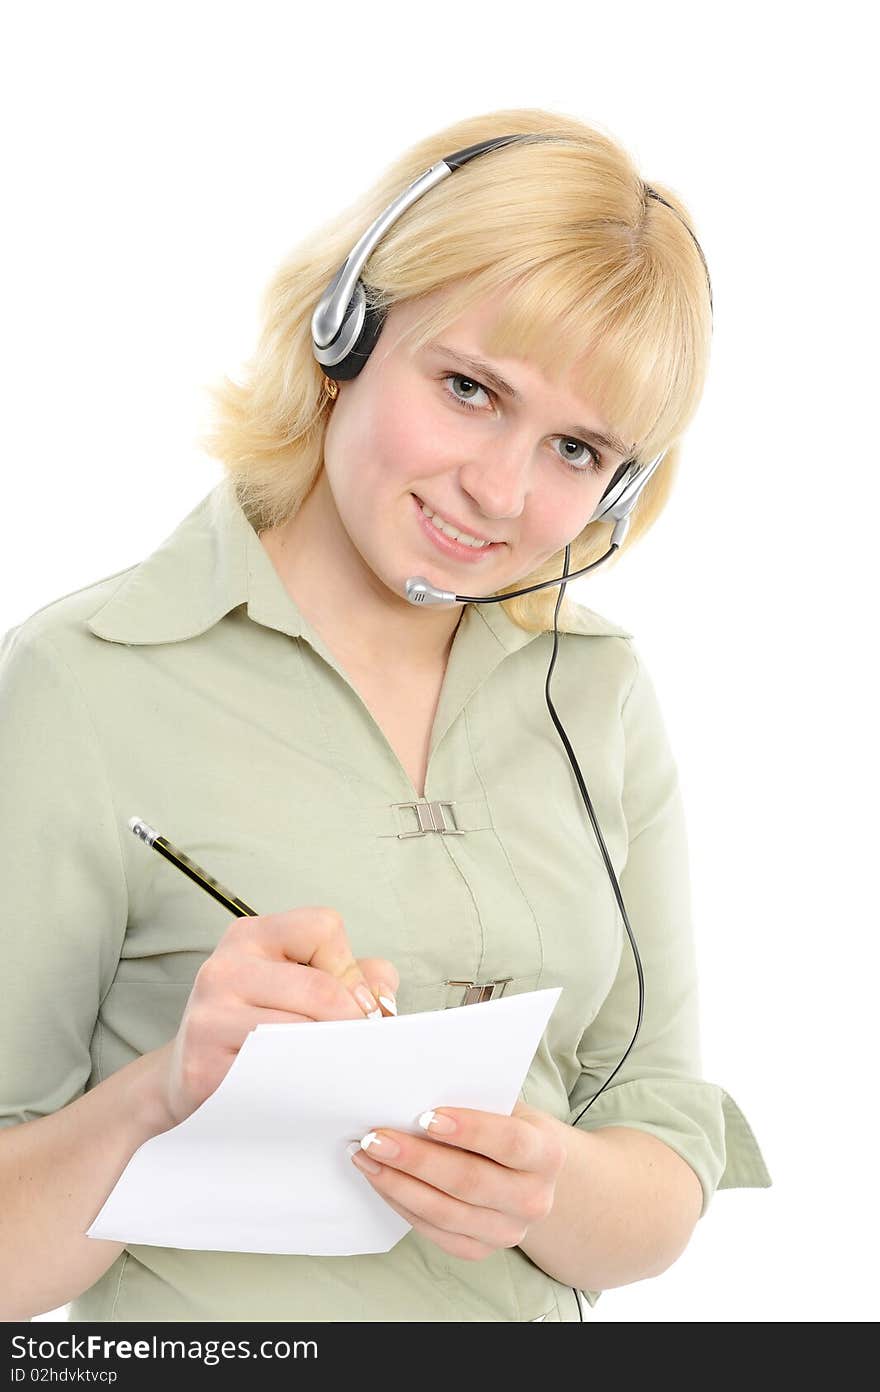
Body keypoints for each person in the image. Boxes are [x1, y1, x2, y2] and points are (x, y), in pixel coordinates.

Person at [0, 107, 771, 1324]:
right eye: (470, 389)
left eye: (575, 449)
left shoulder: (597, 695)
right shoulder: (80, 680)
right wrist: (165, 1091)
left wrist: (548, 1183)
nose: (501, 491)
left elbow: (663, 1149)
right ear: (344, 333)